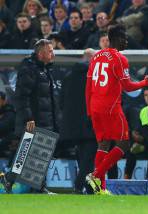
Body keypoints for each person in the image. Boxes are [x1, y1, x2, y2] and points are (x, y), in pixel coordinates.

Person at [85, 24, 148, 194]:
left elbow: (88, 85)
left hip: (95, 106)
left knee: (103, 144)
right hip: (110, 107)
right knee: (124, 143)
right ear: (116, 39)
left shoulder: (96, 56)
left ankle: (100, 189)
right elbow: (128, 86)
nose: (127, 42)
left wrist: (89, 109)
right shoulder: (119, 59)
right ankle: (96, 175)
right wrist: (146, 82)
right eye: (125, 38)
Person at [1, 39, 57, 194]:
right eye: (50, 51)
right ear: (41, 53)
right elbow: (21, 96)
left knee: (41, 155)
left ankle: (38, 187)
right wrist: (28, 118)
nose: (53, 54)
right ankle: (9, 178)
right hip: (32, 121)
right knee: (25, 155)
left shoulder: (45, 69)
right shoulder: (29, 69)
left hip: (45, 119)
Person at [60, 48, 98, 194]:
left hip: (72, 127)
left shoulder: (68, 76)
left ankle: (89, 189)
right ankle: (78, 187)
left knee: (83, 158)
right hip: (90, 124)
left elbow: (61, 102)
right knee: (88, 159)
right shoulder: (95, 77)